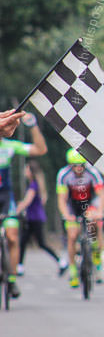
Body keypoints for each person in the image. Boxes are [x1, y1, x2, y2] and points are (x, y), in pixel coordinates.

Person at [0, 112, 47, 298]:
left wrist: (32, 125)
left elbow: (40, 149)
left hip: (5, 197)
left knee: (12, 236)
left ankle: (11, 280)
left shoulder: (9, 147)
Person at [57, 149, 104, 288]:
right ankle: (73, 271)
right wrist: (67, 215)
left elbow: (101, 194)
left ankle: (97, 263)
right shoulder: (63, 174)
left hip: (90, 203)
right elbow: (62, 199)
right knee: (72, 235)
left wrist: (99, 212)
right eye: (75, 165)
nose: (78, 168)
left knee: (94, 224)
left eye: (81, 165)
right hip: (73, 205)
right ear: (70, 165)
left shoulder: (93, 172)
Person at [16, 160, 62, 273]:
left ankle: (61, 261)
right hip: (36, 217)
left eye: (26, 169)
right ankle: (20, 266)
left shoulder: (33, 185)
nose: (24, 171)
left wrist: (16, 209)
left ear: (31, 171)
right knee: (24, 242)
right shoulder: (37, 184)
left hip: (33, 218)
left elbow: (27, 201)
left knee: (38, 243)